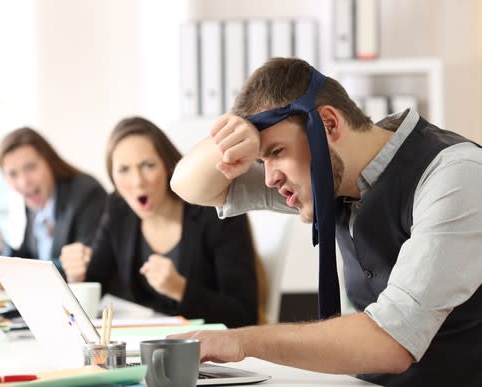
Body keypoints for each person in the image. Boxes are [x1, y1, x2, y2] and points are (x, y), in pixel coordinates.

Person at [169, 58, 482, 386]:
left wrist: (239, 341)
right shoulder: (332, 175)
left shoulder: (456, 176)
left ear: (329, 125)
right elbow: (188, 185)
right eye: (263, 160)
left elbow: (392, 341)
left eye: (276, 151)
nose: (269, 178)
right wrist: (234, 137)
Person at [59, 116, 259, 328]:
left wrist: (179, 288)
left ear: (167, 165)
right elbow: (95, 284)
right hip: (144, 342)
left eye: (148, 165)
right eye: (124, 170)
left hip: (207, 345)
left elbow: (244, 315)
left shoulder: (217, 208)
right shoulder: (118, 209)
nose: (137, 182)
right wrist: (76, 276)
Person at [0, 127, 107, 276]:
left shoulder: (86, 193)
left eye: (30, 167)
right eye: (12, 174)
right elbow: (30, 259)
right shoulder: (33, 201)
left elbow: (90, 268)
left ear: (49, 162)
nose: (23, 182)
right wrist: (0, 243)